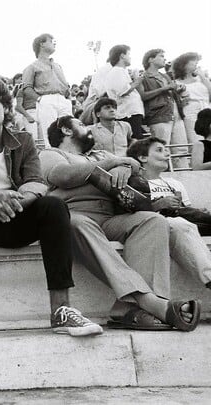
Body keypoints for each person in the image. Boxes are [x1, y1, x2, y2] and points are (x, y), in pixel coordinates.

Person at [0, 75, 103, 341]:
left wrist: (11, 202)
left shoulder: (23, 141)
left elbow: (36, 183)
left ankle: (61, 309)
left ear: (5, 107)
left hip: (18, 220)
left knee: (54, 206)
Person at [41, 115, 201, 332]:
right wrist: (112, 164)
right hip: (75, 213)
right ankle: (150, 303)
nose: (87, 128)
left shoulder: (101, 153)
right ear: (65, 130)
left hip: (111, 215)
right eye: (80, 124)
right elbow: (63, 176)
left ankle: (129, 309)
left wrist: (125, 168)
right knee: (75, 224)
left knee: (153, 221)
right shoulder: (52, 154)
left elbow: (134, 165)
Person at [127, 137, 211, 288]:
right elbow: (133, 213)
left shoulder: (174, 183)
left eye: (166, 150)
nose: (167, 154)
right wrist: (159, 204)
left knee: (183, 222)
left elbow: (188, 211)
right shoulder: (134, 183)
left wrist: (199, 211)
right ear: (142, 157)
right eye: (159, 150)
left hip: (185, 223)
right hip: (160, 225)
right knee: (178, 223)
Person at [137, 49, 189, 169]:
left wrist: (178, 90)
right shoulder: (143, 77)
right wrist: (164, 89)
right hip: (159, 116)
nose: (164, 59)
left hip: (176, 113)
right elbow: (143, 96)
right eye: (161, 56)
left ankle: (184, 175)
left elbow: (170, 90)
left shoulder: (164, 75)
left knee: (181, 148)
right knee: (161, 148)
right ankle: (164, 177)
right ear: (151, 59)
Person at [22, 34, 71, 148]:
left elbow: (65, 85)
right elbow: (26, 88)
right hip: (46, 100)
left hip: (63, 100)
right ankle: (53, 161)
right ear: (41, 44)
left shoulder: (58, 66)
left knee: (69, 131)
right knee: (50, 134)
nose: (54, 43)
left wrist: (67, 97)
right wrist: (40, 99)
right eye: (51, 40)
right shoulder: (32, 67)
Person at [103, 45, 145, 139]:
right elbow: (123, 91)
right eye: (129, 54)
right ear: (122, 56)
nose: (130, 57)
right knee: (135, 141)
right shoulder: (116, 71)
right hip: (128, 114)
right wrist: (137, 81)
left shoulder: (121, 71)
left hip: (131, 113)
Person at [173, 52, 211, 143]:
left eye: (196, 63)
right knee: (196, 139)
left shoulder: (201, 79)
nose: (196, 65)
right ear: (184, 65)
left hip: (206, 109)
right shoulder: (176, 83)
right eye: (193, 63)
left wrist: (203, 77)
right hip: (190, 111)